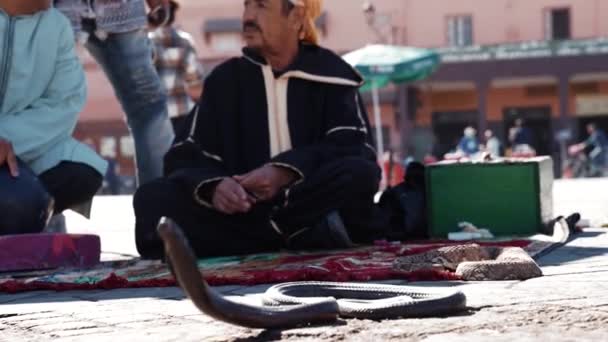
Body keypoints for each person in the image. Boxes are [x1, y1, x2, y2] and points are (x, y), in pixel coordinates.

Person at [133, 0, 384, 259]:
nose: (248, 17)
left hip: (305, 199)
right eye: (246, 6)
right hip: (243, 213)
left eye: (261, 6)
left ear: (296, 17)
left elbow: (355, 150)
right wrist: (214, 187)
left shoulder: (333, 76)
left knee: (359, 174)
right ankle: (295, 232)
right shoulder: (225, 80)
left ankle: (269, 233)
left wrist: (284, 172)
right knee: (151, 199)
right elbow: (185, 155)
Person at [0, 0, 106, 235]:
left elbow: (64, 103)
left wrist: (5, 140)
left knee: (82, 173)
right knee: (17, 202)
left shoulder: (56, 26)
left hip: (22, 148)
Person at [54, 0, 175, 185]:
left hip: (58, 10)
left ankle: (43, 207)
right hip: (119, 10)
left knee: (47, 103)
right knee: (148, 106)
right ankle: (159, 203)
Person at [148, 0, 205, 135]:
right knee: (181, 154)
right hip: (182, 113)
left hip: (153, 116)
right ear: (173, 15)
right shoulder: (185, 41)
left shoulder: (145, 42)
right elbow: (194, 79)